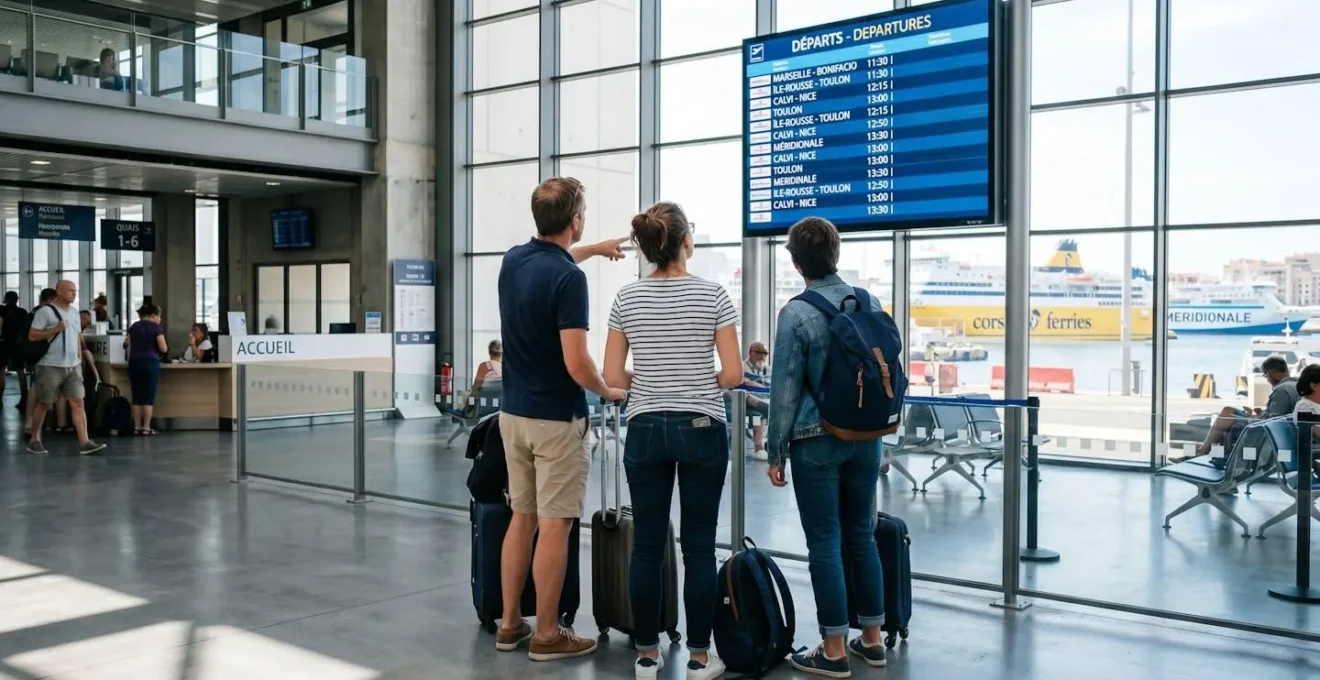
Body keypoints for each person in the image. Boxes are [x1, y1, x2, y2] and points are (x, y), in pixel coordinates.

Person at [603, 201, 741, 680]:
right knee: (699, 547)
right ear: (686, 242)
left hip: (644, 427)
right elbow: (733, 373)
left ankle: (646, 654)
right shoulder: (714, 295)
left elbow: (612, 377)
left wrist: (653, 379)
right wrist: (694, 380)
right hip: (702, 425)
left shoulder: (626, 298)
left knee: (646, 546)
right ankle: (701, 658)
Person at [495, 176, 627, 663]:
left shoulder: (513, 261)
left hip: (514, 416)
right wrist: (608, 389)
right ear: (574, 219)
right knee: (554, 526)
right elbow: (577, 363)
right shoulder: (569, 280)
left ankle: (511, 625)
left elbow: (554, 261)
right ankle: (548, 634)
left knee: (521, 519)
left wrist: (594, 247)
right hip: (556, 420)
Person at [766, 217, 888, 676]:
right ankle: (872, 639)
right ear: (835, 255)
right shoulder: (868, 301)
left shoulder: (795, 313)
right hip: (866, 438)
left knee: (824, 542)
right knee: (861, 535)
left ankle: (833, 649)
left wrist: (776, 453)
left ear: (797, 262)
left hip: (815, 441)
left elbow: (785, 392)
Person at [26, 280, 106, 456]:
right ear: (59, 292)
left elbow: (77, 337)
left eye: (75, 290)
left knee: (78, 402)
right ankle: (34, 439)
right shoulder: (45, 312)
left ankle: (84, 442)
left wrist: (79, 359)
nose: (74, 293)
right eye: (70, 290)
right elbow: (32, 335)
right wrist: (55, 329)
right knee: (44, 403)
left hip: (73, 366)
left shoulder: (75, 314)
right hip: (49, 365)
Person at [1173, 355, 1298, 462]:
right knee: (1227, 414)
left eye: (1266, 375)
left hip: (1263, 430)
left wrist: (1252, 417)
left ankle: (1203, 453)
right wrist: (1259, 414)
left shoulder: (1282, 390)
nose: (1267, 379)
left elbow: (1273, 421)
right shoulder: (1294, 386)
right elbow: (1277, 415)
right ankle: (1207, 454)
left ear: (1271, 372)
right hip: (1268, 425)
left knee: (1226, 415)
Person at [126, 305, 167, 435]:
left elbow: (128, 346)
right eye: (159, 316)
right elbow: (163, 348)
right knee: (148, 396)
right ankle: (146, 427)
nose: (160, 319)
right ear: (153, 315)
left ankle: (137, 427)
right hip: (150, 363)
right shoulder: (156, 328)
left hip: (135, 363)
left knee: (137, 396)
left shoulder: (133, 327)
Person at [0, 291, 29, 411]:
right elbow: (26, 328)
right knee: (21, 371)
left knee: (1, 371)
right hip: (18, 344)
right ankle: (24, 399)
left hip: (3, 343)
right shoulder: (23, 312)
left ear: (6, 299)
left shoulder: (1, 310)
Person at [743, 341, 771, 460]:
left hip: (762, 403)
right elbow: (743, 381)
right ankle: (759, 448)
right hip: (745, 404)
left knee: (758, 415)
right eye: (759, 353)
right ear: (751, 353)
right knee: (759, 410)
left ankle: (761, 448)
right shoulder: (742, 367)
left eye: (765, 353)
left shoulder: (767, 370)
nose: (762, 357)